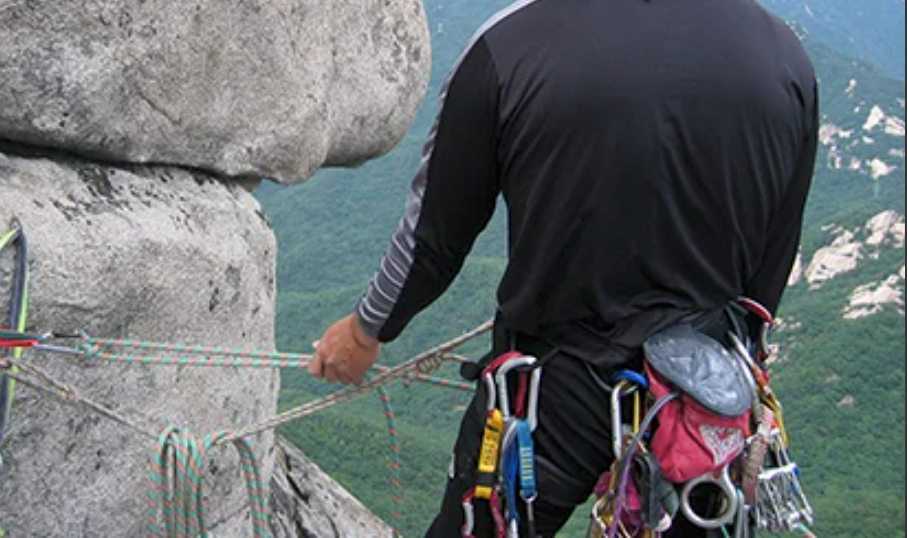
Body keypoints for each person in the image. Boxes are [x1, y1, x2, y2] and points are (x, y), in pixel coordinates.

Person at [309, 0, 818, 535]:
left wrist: (367, 331)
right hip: (704, 397)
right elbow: (770, 267)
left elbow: (434, 239)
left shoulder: (509, 45)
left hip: (550, 388)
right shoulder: (784, 55)